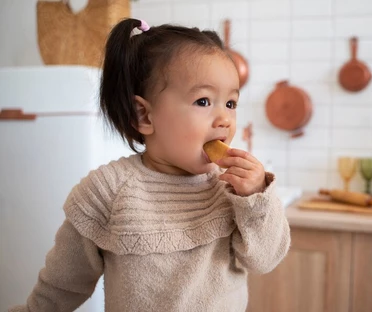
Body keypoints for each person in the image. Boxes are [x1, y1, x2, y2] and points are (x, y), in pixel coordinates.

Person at [10, 18, 290, 312]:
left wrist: (255, 198)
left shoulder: (232, 190)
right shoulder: (107, 191)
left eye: (230, 103)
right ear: (144, 116)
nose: (224, 119)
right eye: (204, 101)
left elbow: (265, 259)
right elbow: (62, 286)